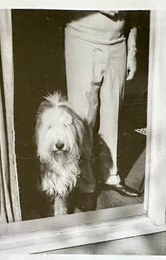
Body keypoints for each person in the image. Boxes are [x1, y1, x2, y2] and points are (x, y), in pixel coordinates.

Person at [64, 11, 139, 203]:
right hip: (83, 40)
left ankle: (111, 176)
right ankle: (85, 185)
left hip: (118, 44)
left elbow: (137, 11)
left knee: (113, 113)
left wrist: (132, 50)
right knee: (83, 117)